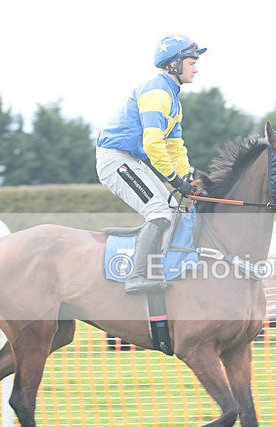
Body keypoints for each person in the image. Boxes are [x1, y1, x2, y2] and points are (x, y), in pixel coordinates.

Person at [96, 34, 208, 294]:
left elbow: (175, 146)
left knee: (171, 207)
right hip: (115, 158)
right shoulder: (157, 93)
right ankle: (136, 277)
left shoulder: (173, 98)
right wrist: (176, 181)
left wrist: (187, 177)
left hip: (130, 159)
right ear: (174, 65)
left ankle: (162, 266)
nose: (196, 68)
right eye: (192, 62)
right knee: (158, 211)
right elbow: (153, 145)